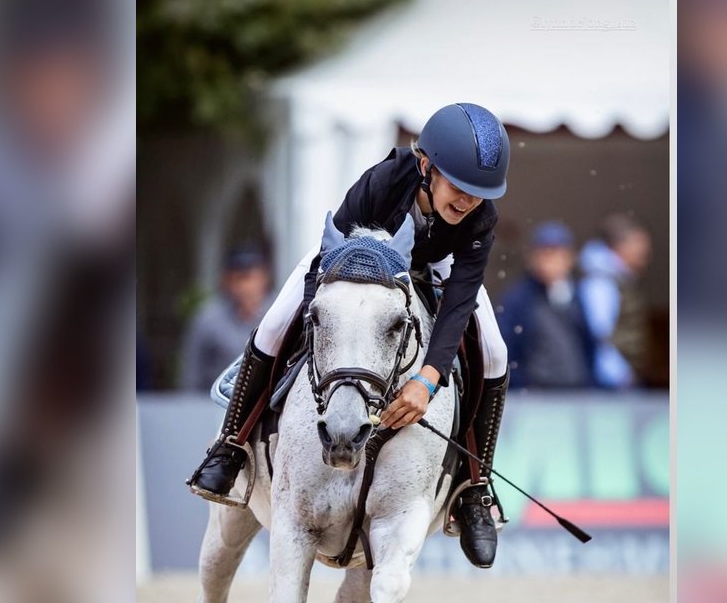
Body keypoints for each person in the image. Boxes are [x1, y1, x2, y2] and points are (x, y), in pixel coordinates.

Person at [186, 103, 511, 568]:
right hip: (351, 260)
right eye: (459, 187)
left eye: (481, 194)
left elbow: (459, 302)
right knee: (277, 320)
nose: (468, 202)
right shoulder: (384, 180)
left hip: (434, 271)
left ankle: (475, 488)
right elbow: (332, 260)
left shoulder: (481, 219)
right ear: (427, 168)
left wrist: (428, 378)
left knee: (495, 351)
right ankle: (232, 447)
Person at [499, 221, 594, 389]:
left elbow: (588, 343)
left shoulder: (579, 293)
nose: (550, 261)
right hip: (535, 394)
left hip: (577, 391)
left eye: (557, 253)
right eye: (544, 253)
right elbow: (506, 349)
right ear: (531, 258)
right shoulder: (518, 298)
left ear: (570, 258)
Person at [180, 245, 272, 391]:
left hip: (268, 406)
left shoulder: (277, 316)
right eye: (240, 279)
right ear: (227, 281)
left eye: (252, 278)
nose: (246, 287)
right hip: (215, 405)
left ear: (264, 279)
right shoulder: (208, 319)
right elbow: (192, 375)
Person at [578, 214, 651, 389]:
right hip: (612, 381)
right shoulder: (601, 281)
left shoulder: (620, 278)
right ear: (619, 246)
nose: (646, 250)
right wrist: (620, 375)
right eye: (638, 243)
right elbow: (600, 334)